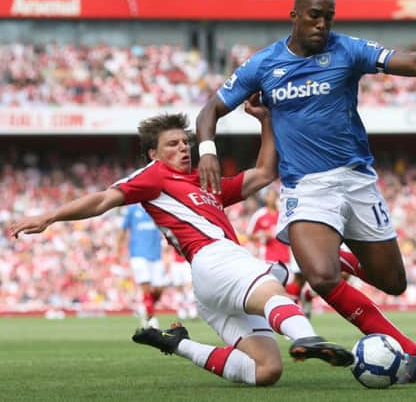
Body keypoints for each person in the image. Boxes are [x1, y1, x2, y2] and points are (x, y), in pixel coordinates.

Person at [195, 0, 416, 384]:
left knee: (393, 283)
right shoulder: (263, 64)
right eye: (315, 15)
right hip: (308, 187)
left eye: (329, 16)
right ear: (295, 15)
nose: (322, 23)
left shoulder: (347, 50)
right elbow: (210, 109)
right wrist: (208, 149)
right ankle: (409, 351)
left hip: (356, 182)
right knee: (320, 277)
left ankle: (344, 259)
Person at [9, 105, 354, 387]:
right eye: (173, 144)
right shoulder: (155, 175)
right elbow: (103, 199)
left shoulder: (207, 182)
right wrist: (51, 216)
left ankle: (178, 343)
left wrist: (266, 122)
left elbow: (263, 173)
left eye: (185, 142)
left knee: (266, 370)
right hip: (214, 258)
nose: (184, 147)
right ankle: (307, 337)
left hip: (209, 285)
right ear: (153, 154)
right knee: (272, 287)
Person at [116, 203, 167, 328]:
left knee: (159, 290)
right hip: (138, 254)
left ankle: (145, 307)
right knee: (145, 286)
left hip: (156, 254)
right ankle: (151, 319)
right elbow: (123, 230)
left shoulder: (157, 208)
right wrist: (118, 250)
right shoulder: (132, 210)